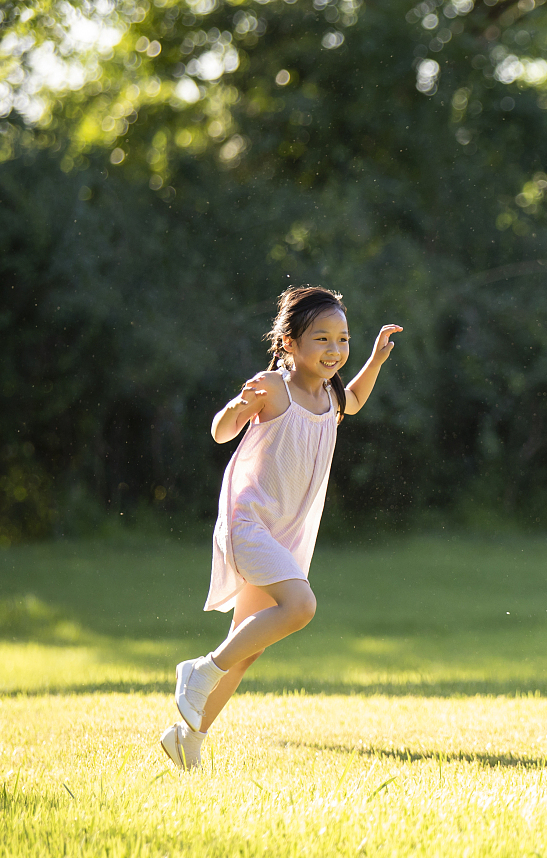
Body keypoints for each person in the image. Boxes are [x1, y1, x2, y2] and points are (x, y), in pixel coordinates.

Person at [160, 286, 402, 769]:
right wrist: (236, 408)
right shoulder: (274, 387)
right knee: (300, 606)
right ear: (289, 342)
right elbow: (221, 432)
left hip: (284, 535)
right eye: (321, 339)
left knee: (247, 648)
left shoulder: (330, 393)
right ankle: (199, 670)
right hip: (248, 524)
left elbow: (352, 401)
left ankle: (188, 739)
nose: (334, 350)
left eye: (342, 339)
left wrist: (373, 360)